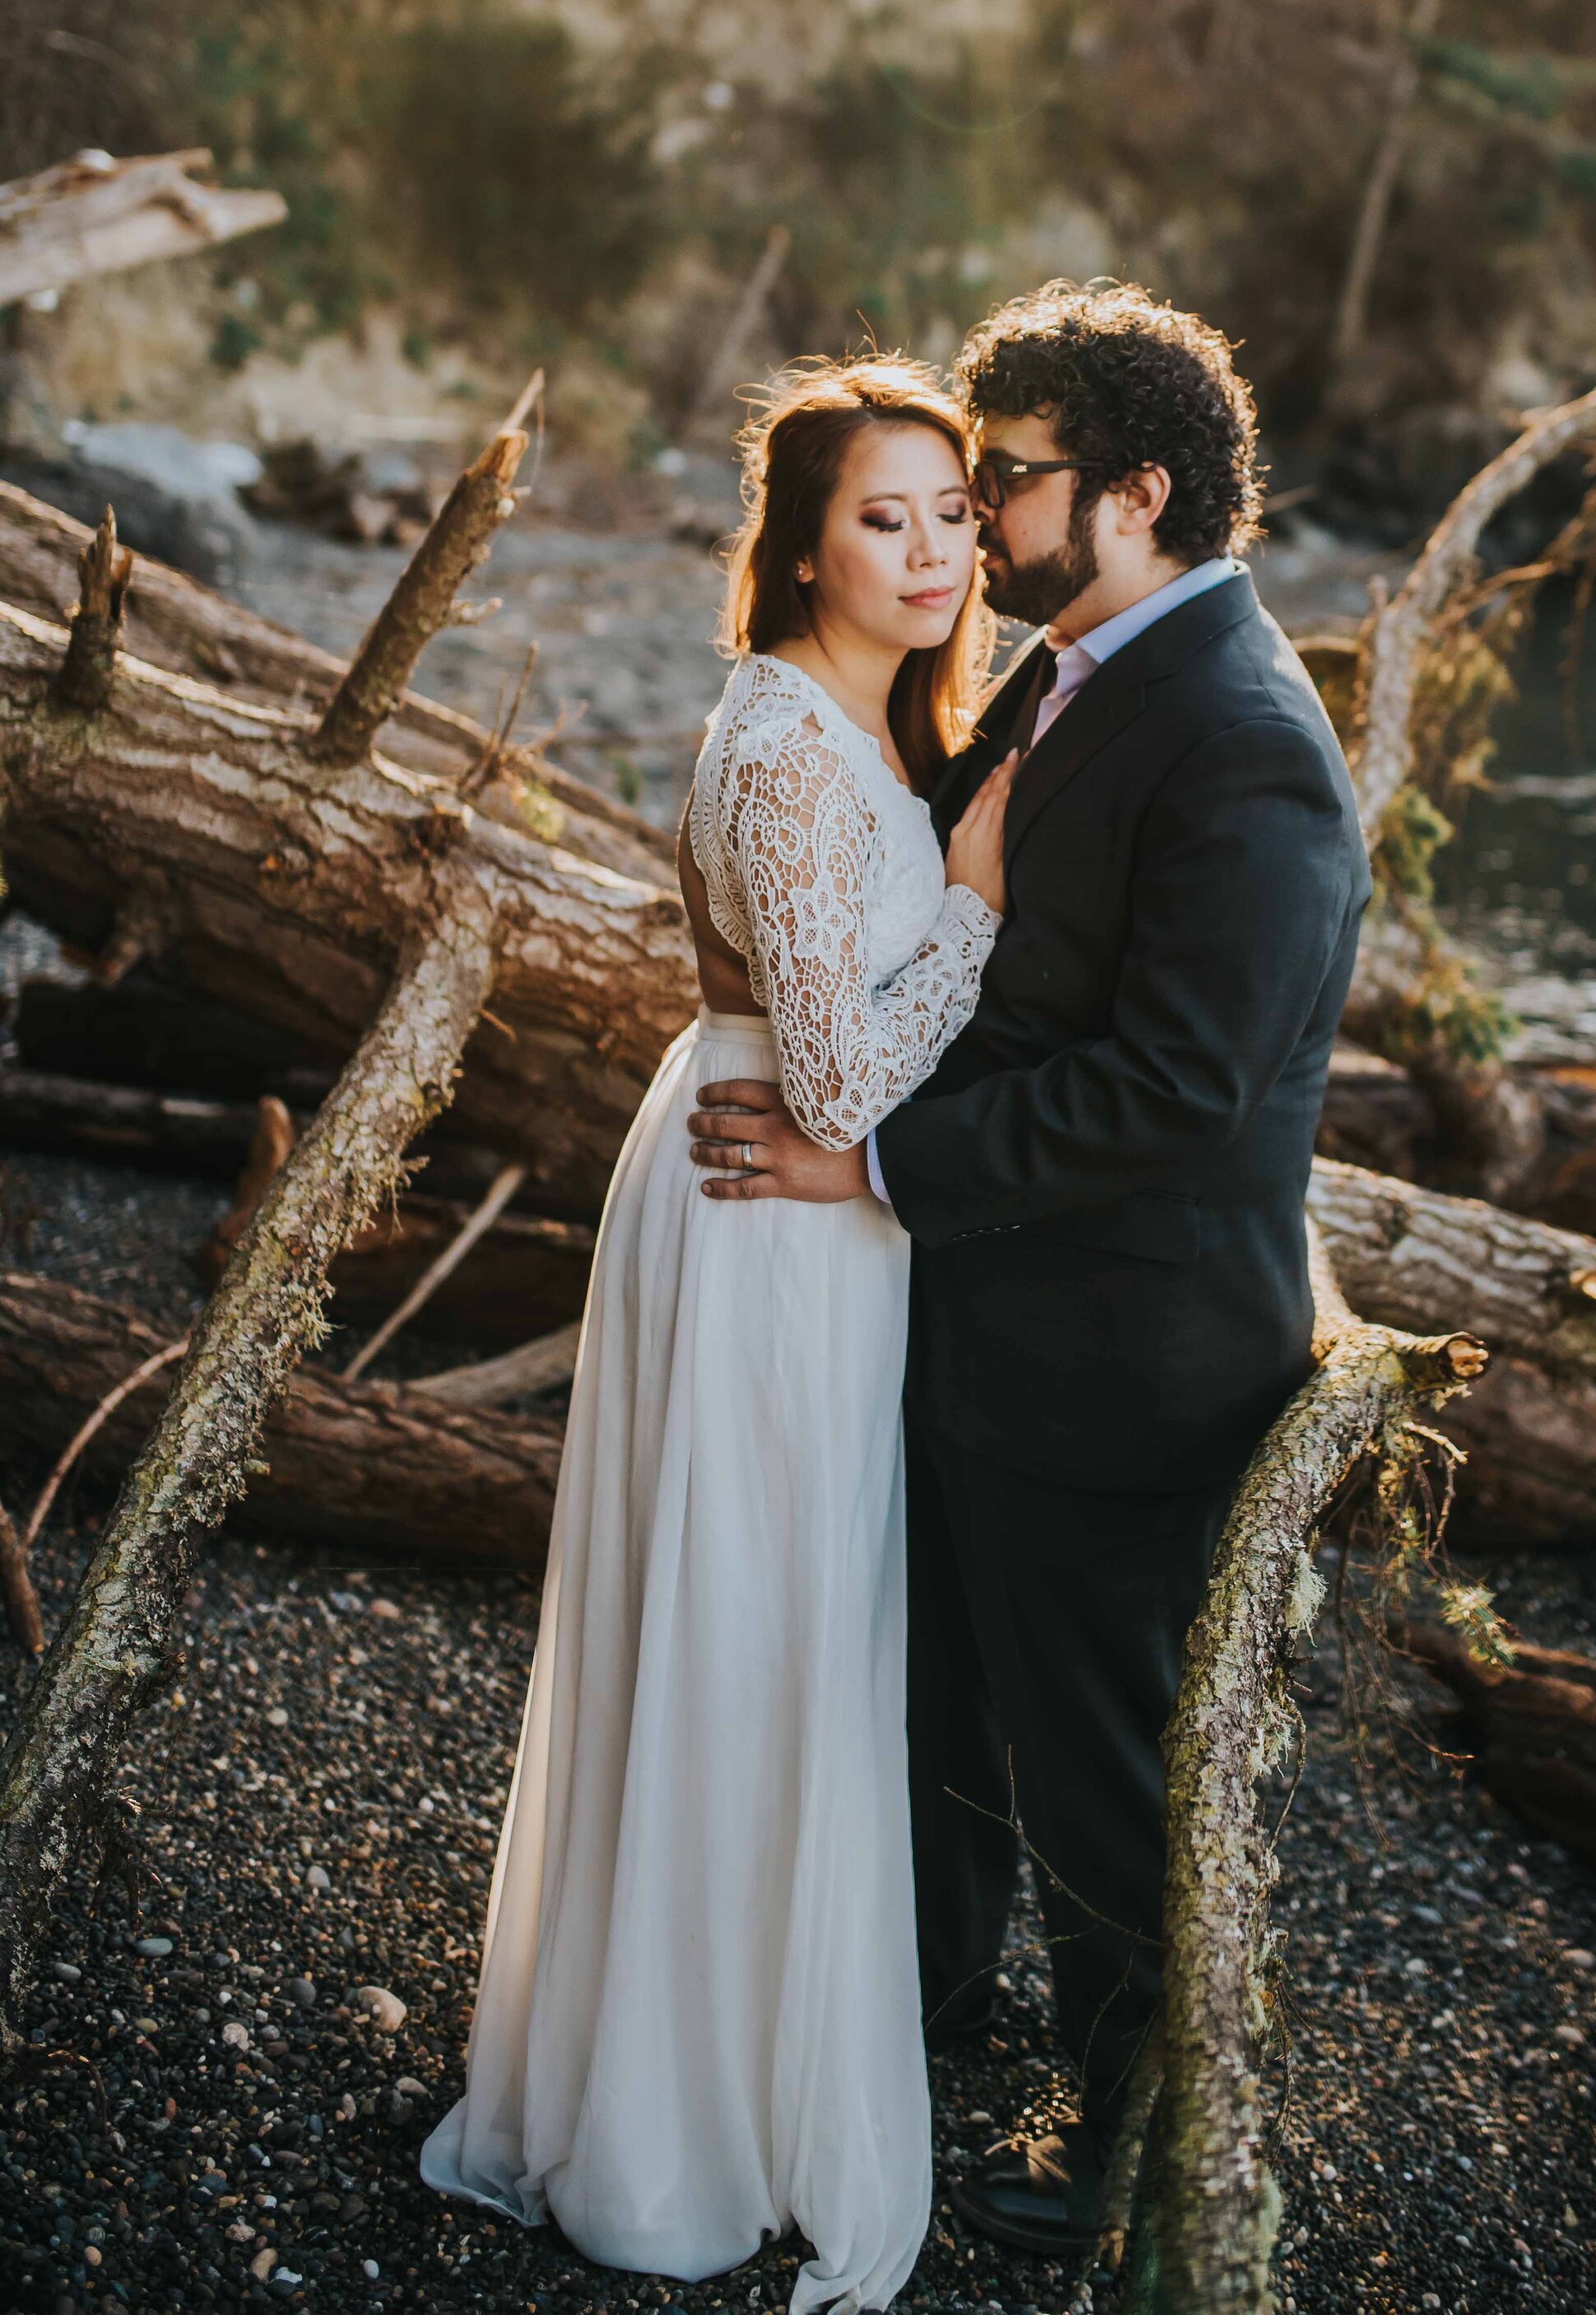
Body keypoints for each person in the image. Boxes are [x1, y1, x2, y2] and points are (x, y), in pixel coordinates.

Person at [690, 281, 1372, 2259]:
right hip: (976, 1302)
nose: (973, 520)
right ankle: (908, 2026)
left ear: (1138, 491)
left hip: (1121, 1349)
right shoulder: (1074, 664)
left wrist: (871, 1156)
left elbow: (1178, 1087)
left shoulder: (1240, 736)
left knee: (1091, 1765)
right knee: (939, 1712)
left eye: (1007, 482)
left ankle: (1126, 2159)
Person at [422, 355, 1016, 2313]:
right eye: (881, 514)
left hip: (800, 1216)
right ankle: (671, 2134)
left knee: (782, 1628)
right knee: (744, 1630)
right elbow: (841, 1083)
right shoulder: (777, 738)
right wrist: (979, 910)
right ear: (797, 541)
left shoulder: (873, 720)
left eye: (948, 512)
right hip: (769, 1206)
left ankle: (741, 2084)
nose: (928, 550)